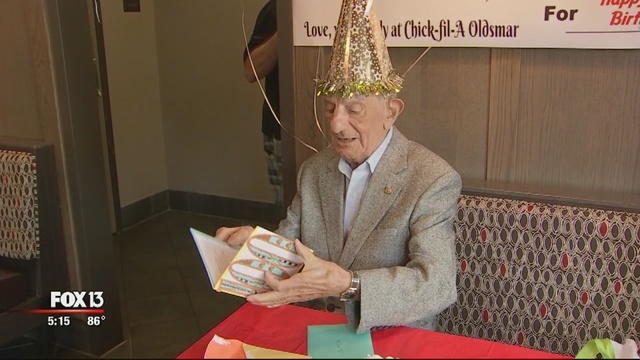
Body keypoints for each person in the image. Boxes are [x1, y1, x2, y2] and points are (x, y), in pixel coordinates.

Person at [219, 0, 462, 334]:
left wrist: (349, 283)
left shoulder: (431, 178)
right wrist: (255, 247)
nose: (336, 124)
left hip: (390, 336)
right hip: (313, 330)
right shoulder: (314, 170)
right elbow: (290, 246)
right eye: (330, 107)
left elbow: (436, 285)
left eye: (355, 110)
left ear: (391, 111)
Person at [243, 0, 283, 206]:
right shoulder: (277, 8)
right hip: (282, 133)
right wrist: (287, 25)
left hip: (338, 130)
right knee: (289, 215)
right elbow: (251, 71)